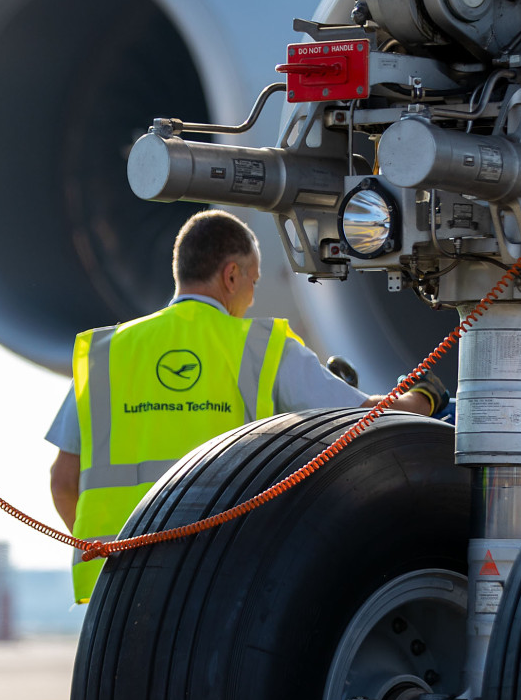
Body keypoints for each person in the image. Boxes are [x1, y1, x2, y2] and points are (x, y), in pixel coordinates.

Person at [47, 209, 445, 601]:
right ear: (231, 275)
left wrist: (110, 554)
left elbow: (63, 481)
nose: (252, 298)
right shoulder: (261, 348)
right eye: (253, 282)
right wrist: (423, 397)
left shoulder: (107, 354)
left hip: (118, 585)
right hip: (219, 580)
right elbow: (363, 419)